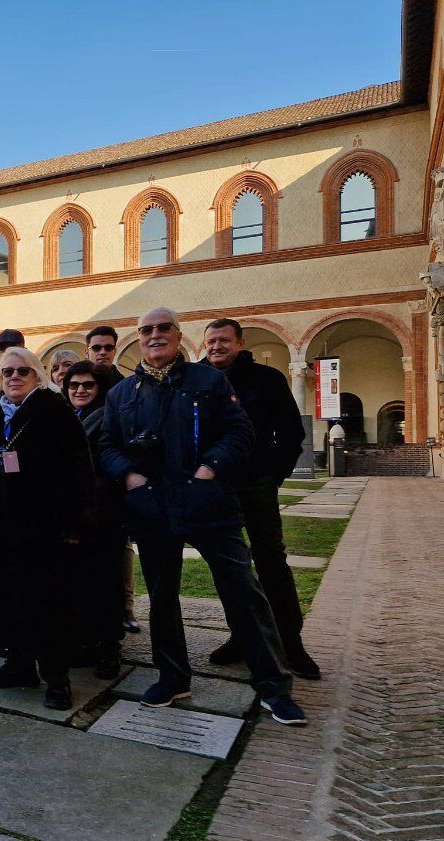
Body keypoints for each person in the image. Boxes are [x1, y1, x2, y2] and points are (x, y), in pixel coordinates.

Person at [100, 307, 308, 726]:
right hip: (153, 507)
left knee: (243, 592)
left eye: (164, 328)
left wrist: (209, 468)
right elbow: (108, 443)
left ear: (178, 336)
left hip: (208, 502)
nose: (155, 335)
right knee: (161, 596)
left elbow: (240, 431)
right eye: (146, 329)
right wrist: (129, 475)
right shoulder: (122, 393)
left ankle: (273, 686)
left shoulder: (208, 380)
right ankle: (173, 677)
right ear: (137, 338)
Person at [0, 347, 95, 711]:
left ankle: (57, 678)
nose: (14, 377)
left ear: (37, 375)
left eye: (23, 371)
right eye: (7, 373)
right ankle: (19, 666)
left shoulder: (55, 413)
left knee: (47, 603)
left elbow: (79, 470)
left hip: (43, 529)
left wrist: (76, 522)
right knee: (6, 599)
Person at [202, 318, 320, 679]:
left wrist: (271, 477)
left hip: (255, 485)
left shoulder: (266, 380)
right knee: (229, 568)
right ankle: (241, 636)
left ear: (240, 342)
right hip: (216, 487)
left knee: (271, 562)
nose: (216, 347)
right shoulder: (198, 381)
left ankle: (291, 642)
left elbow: (289, 434)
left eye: (223, 340)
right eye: (210, 342)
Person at [63, 360, 125, 678]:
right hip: (71, 516)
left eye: (88, 385)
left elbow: (101, 472)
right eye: (74, 385)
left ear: (99, 388)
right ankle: (84, 641)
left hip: (102, 517)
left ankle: (108, 649)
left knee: (105, 585)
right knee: (78, 585)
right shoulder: (63, 418)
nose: (80, 390)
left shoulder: (108, 418)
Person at [85, 324, 139, 635]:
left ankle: (126, 609)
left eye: (108, 347)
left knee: (121, 550)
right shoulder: (80, 383)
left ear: (115, 349)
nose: (102, 352)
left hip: (114, 483)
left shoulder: (127, 386)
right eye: (97, 348)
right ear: (88, 350)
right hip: (87, 488)